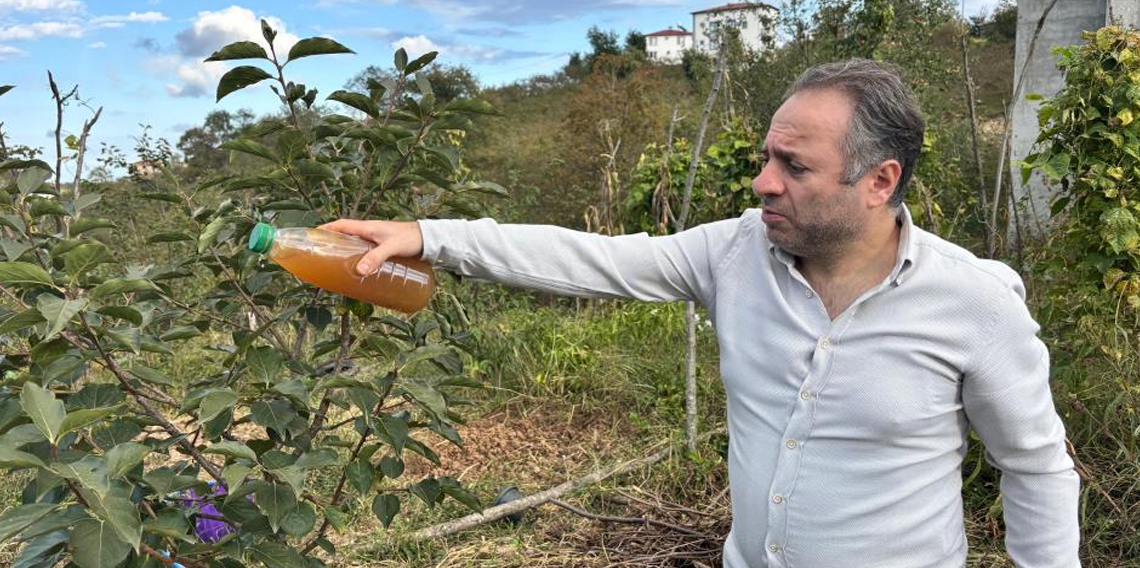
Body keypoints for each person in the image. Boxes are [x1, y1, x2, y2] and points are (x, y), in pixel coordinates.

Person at [322, 59, 1080, 567]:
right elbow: (592, 258)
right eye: (766, 156)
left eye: (794, 166)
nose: (762, 183)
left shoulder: (974, 301)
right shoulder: (733, 253)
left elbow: (1036, 467)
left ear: (879, 180)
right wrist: (430, 236)